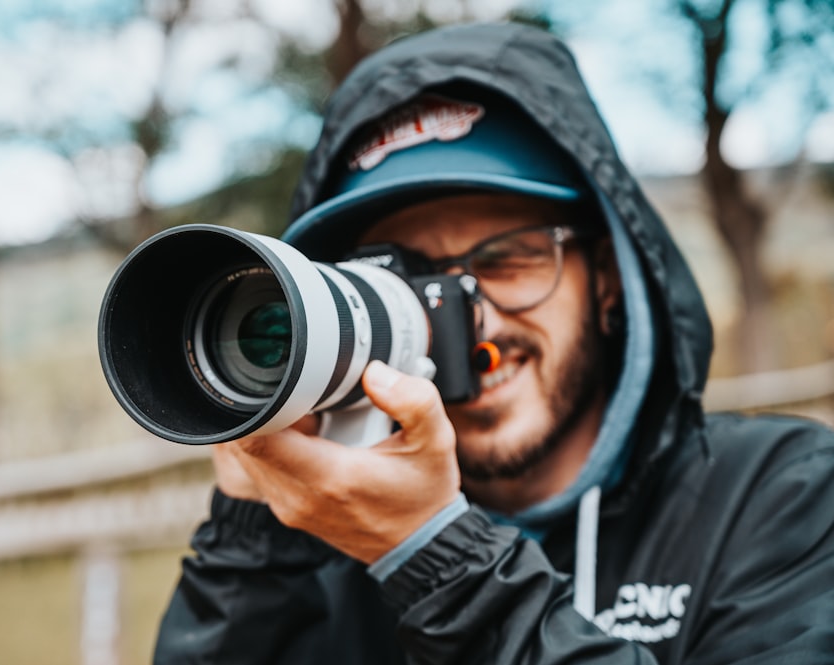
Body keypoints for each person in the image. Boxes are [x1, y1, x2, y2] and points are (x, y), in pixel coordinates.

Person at [152, 21, 834, 664]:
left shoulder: (786, 495)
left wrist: (434, 558)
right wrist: (251, 536)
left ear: (608, 278)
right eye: (406, 277)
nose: (468, 318)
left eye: (508, 257)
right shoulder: (321, 559)